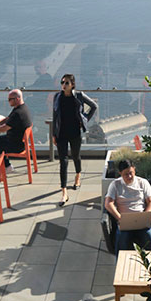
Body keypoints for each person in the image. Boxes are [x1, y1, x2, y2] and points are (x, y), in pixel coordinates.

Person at [52, 73, 98, 206]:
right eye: (62, 82)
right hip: (61, 133)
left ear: (72, 84)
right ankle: (64, 192)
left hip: (74, 132)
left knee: (76, 156)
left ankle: (78, 176)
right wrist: (54, 134)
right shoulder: (58, 97)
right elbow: (55, 116)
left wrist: (85, 120)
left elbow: (94, 106)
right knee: (63, 162)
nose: (63, 85)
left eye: (66, 83)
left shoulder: (79, 96)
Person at [104, 159, 151, 251]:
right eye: (126, 174)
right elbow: (108, 203)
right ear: (120, 173)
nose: (129, 176)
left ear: (134, 170)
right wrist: (119, 217)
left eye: (131, 173)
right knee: (122, 238)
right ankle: (120, 262)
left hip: (141, 219)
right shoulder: (115, 184)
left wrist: (146, 214)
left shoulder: (143, 182)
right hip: (124, 220)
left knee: (149, 235)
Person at [0, 89, 32, 176]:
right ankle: (7, 166)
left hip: (16, 145)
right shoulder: (21, 108)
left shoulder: (18, 113)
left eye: (10, 99)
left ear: (17, 99)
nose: (8, 102)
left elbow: (4, 128)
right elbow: (7, 120)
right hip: (15, 140)